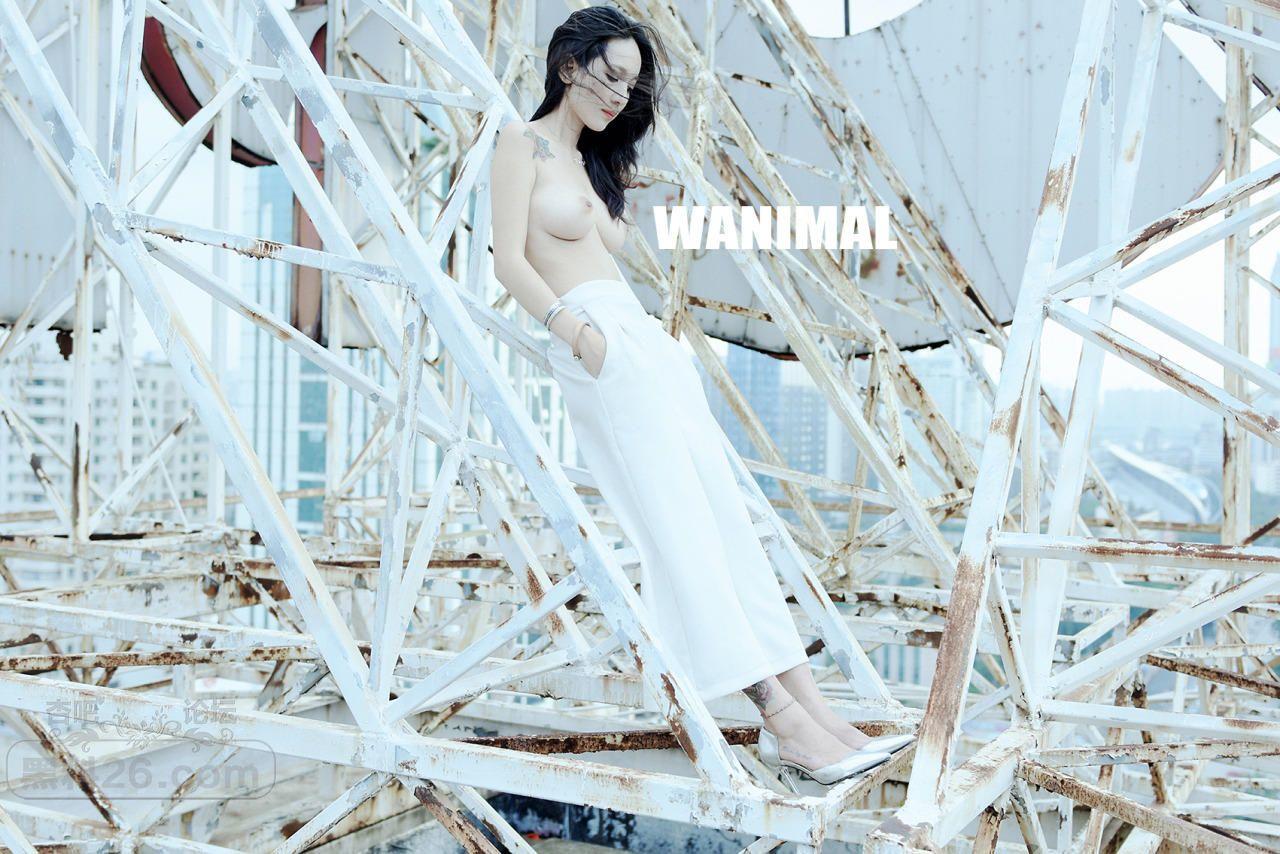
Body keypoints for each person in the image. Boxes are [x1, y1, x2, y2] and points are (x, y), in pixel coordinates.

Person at [488, 5, 910, 787]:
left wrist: (630, 337)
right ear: (568, 65)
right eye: (608, 76)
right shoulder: (521, 143)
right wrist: (576, 333)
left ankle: (817, 713)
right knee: (679, 533)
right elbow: (507, 259)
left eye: (630, 85)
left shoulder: (590, 163)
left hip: (645, 348)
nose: (618, 95)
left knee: (727, 528)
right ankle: (780, 720)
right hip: (599, 346)